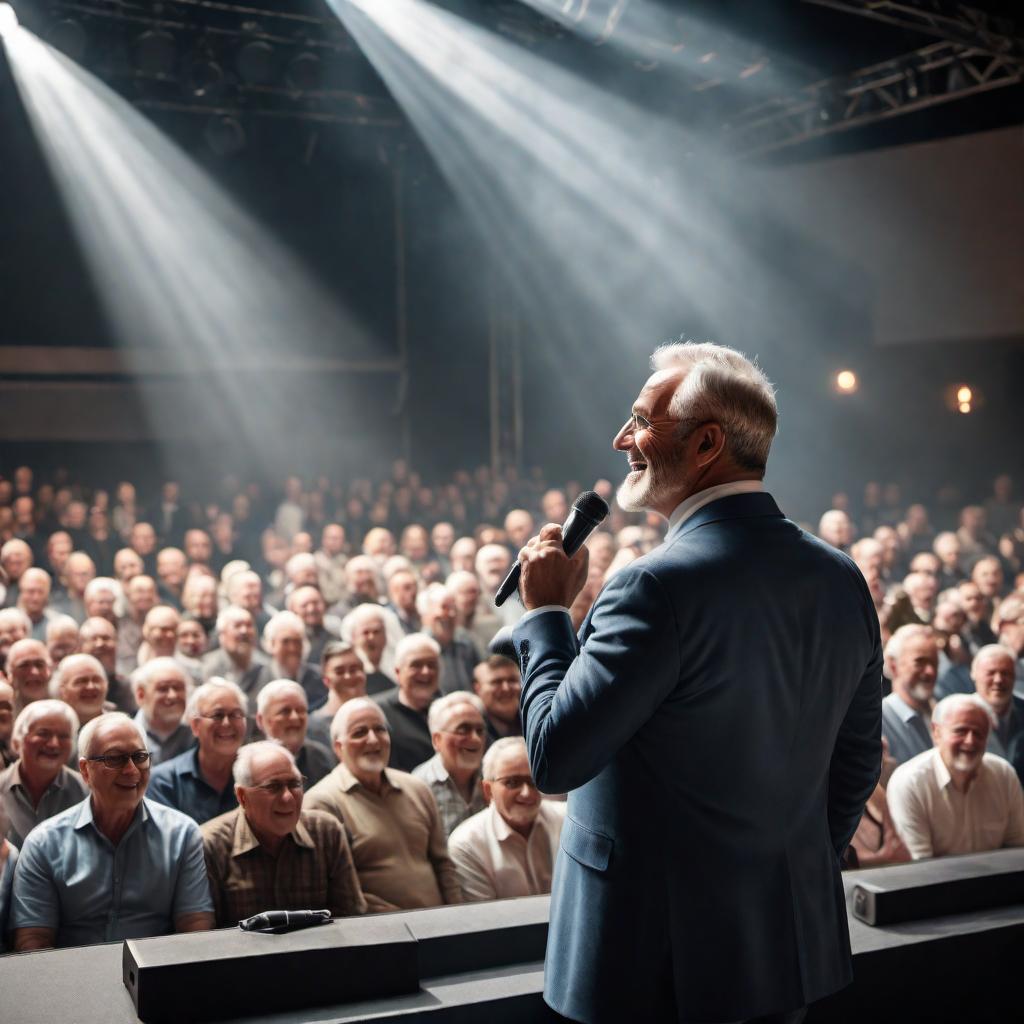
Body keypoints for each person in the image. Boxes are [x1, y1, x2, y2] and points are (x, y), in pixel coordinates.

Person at [511, 342, 881, 1023]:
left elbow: (555, 758)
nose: (623, 438)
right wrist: (777, 875)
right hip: (783, 951)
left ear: (707, 442)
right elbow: (856, 762)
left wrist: (545, 616)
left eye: (642, 420)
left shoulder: (653, 586)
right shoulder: (841, 577)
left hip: (652, 968)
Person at [9, 712, 213, 948]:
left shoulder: (182, 835)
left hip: (156, 976)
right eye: (114, 759)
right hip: (72, 978)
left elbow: (195, 927)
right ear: (85, 770)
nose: (131, 770)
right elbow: (33, 940)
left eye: (140, 757)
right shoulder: (44, 843)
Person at [304, 698, 461, 911]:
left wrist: (459, 916)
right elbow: (333, 890)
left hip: (438, 925)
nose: (373, 740)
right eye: (359, 732)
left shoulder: (417, 788)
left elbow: (443, 864)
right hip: (377, 933)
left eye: (380, 729)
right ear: (338, 747)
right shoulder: (321, 803)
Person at [201, 741, 365, 927]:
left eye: (294, 784)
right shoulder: (212, 845)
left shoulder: (326, 832)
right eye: (273, 787)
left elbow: (351, 919)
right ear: (242, 796)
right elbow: (209, 937)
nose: (288, 797)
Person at [887, 694, 1024, 859]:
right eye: (961, 731)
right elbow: (919, 868)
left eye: (979, 733)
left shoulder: (1004, 775)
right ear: (936, 733)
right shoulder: (909, 783)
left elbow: (1017, 850)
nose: (970, 741)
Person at [448, 736, 566, 902]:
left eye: (533, 782)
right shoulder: (466, 845)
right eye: (512, 782)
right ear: (488, 790)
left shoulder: (568, 821)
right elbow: (484, 919)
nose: (526, 793)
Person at [148, 679, 246, 823]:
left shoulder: (259, 778)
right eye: (217, 715)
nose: (227, 723)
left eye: (235, 714)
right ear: (195, 725)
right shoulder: (164, 782)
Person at [0, 701, 87, 847]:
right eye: (43, 734)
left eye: (64, 736)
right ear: (17, 742)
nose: (54, 744)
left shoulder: (88, 793)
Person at [412, 692, 487, 837]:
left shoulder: (495, 778)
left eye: (480, 730)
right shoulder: (418, 787)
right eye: (463, 730)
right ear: (437, 740)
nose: (476, 738)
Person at [373, 633, 440, 772]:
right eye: (416, 665)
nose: (426, 672)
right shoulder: (377, 713)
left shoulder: (449, 708)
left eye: (432, 665)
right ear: (398, 672)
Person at [255, 679, 333, 786]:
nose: (295, 717)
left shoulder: (321, 757)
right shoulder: (251, 763)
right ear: (261, 720)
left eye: (300, 710)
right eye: (285, 711)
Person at [881, 624, 938, 766]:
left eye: (934, 663)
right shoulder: (878, 720)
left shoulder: (942, 714)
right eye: (920, 662)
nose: (930, 671)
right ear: (893, 666)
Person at [133, 657, 195, 765]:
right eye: (163, 689)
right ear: (141, 695)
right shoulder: (126, 737)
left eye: (178, 688)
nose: (172, 695)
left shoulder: (198, 736)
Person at [473, 655, 523, 743]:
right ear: (478, 689)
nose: (506, 688)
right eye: (497, 682)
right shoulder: (472, 733)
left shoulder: (537, 723)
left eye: (512, 680)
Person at [6, 638, 53, 714]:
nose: (34, 672)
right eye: (24, 666)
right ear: (10, 673)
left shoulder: (65, 708)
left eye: (39, 664)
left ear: (50, 670)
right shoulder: (5, 714)